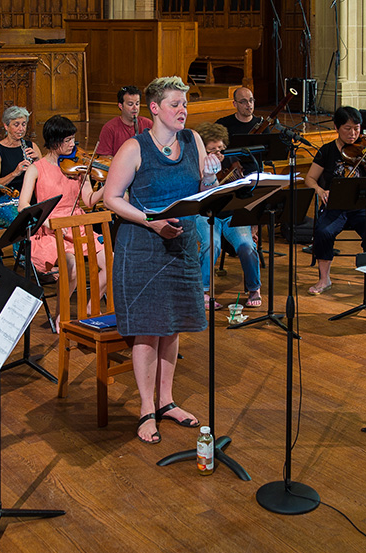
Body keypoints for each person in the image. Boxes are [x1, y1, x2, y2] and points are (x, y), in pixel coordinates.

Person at [101, 76, 208, 445]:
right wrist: (152, 220)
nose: (183, 110)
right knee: (148, 329)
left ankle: (167, 401)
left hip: (182, 245)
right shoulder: (134, 147)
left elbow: (200, 190)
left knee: (172, 324)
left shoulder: (193, 140)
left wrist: (213, 181)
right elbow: (112, 198)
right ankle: (146, 409)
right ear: (154, 108)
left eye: (185, 104)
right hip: (143, 246)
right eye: (175, 104)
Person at [18, 115, 107, 302]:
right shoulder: (37, 169)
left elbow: (89, 200)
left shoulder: (77, 167)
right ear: (54, 141)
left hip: (77, 226)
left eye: (73, 139)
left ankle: (92, 306)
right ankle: (61, 314)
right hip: (51, 229)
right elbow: (23, 205)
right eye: (67, 140)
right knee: (72, 268)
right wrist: (46, 221)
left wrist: (108, 187)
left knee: (111, 262)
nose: (72, 144)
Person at [304, 106, 366, 298]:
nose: (353, 134)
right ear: (336, 127)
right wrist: (320, 190)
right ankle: (324, 279)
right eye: (347, 128)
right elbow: (310, 178)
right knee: (323, 231)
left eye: (357, 129)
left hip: (361, 205)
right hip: (334, 205)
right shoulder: (327, 151)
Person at [193, 122, 262, 308]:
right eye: (212, 150)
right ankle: (204, 291)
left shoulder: (231, 161)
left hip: (231, 213)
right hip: (206, 214)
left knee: (246, 245)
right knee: (211, 243)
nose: (218, 153)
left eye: (220, 149)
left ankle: (254, 288)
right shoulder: (197, 164)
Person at [0, 105, 42, 234]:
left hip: (30, 198)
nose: (21, 129)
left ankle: (42, 250)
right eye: (16, 124)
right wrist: (15, 173)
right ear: (6, 126)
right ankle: (23, 254)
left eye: (23, 124)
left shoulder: (31, 146)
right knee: (22, 220)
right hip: (6, 200)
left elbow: (46, 176)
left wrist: (39, 161)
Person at [95, 85, 154, 157]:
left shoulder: (148, 124)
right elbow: (104, 157)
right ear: (120, 106)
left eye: (137, 104)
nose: (135, 108)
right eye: (130, 104)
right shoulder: (109, 128)